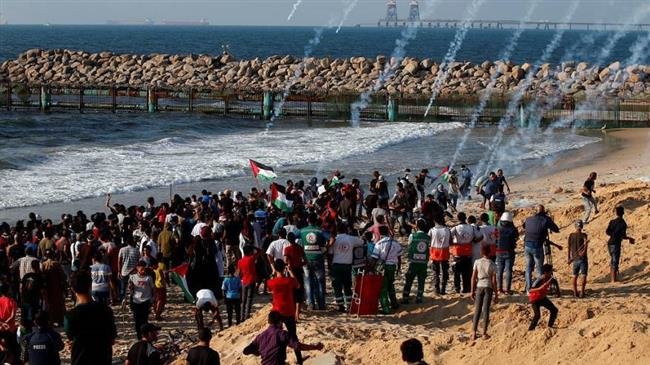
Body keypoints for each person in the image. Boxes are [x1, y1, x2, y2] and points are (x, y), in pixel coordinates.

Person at [65, 270, 117, 365]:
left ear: (72, 289)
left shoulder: (70, 316)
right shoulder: (106, 310)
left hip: (80, 360)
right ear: (90, 285)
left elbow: (70, 339)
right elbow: (112, 340)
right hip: (102, 359)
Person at [243, 311, 323, 365]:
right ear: (280, 322)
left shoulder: (260, 336)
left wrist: (258, 352)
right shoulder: (282, 334)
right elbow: (298, 346)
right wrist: (315, 347)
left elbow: (246, 351)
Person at [266, 259, 302, 363]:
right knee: (293, 336)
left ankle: (279, 360)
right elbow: (298, 285)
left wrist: (272, 274)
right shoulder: (289, 281)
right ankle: (299, 361)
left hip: (277, 313)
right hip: (289, 311)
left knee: (277, 337)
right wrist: (290, 271)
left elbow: (268, 289)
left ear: (275, 268)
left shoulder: (271, 282)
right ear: (284, 268)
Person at [522, 205, 560, 292]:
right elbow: (556, 229)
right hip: (537, 247)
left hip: (527, 245)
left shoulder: (528, 219)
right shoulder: (545, 219)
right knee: (539, 268)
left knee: (528, 268)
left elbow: (524, 226)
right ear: (544, 212)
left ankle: (528, 289)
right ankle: (537, 288)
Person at [328, 223, 363, 312]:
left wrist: (329, 267)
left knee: (337, 286)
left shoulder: (335, 240)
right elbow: (361, 242)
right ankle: (349, 304)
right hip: (347, 265)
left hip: (336, 265)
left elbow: (330, 253)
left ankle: (340, 305)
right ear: (346, 229)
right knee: (347, 286)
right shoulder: (351, 239)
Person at [371, 226, 402, 313]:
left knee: (383, 288)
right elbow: (399, 256)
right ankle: (394, 303)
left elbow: (374, 258)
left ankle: (386, 308)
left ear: (380, 233)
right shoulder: (395, 242)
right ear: (388, 231)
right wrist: (399, 267)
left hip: (382, 268)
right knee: (391, 285)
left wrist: (371, 268)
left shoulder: (379, 244)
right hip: (392, 267)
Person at [470, 245, 498, 340]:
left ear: (481, 253)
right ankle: (484, 333)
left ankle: (473, 332)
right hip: (488, 286)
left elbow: (473, 277)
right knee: (485, 310)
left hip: (479, 285)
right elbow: (494, 281)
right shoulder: (492, 264)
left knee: (477, 309)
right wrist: (496, 294)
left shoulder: (477, 262)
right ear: (489, 252)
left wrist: (472, 291)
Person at [300, 214, 326, 311]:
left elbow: (291, 236)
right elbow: (332, 238)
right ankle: (321, 305)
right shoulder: (320, 231)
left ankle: (311, 304)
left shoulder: (302, 230)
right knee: (320, 282)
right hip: (318, 258)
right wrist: (325, 250)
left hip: (306, 259)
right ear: (316, 220)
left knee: (308, 282)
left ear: (308, 220)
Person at [450, 213, 481, 294]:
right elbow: (478, 238)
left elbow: (448, 237)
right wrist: (472, 241)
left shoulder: (455, 228)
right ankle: (466, 288)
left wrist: (453, 244)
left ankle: (457, 288)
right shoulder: (471, 227)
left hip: (458, 253)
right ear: (465, 218)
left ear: (458, 218)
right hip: (468, 252)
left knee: (457, 272)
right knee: (466, 273)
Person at [402, 219, 430, 304]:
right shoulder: (428, 237)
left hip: (413, 262)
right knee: (421, 281)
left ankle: (405, 298)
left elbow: (409, 246)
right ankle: (419, 298)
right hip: (423, 262)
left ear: (416, 226)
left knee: (409, 280)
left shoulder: (412, 236)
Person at [605, 206, 635, 282]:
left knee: (613, 260)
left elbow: (607, 232)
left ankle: (613, 278)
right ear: (623, 213)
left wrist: (613, 234)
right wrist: (629, 238)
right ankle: (613, 279)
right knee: (615, 261)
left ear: (616, 213)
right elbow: (623, 236)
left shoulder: (612, 221)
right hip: (616, 243)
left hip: (610, 243)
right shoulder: (623, 223)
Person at [128, 260, 155, 339]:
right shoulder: (132, 277)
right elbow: (130, 289)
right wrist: (130, 287)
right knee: (137, 320)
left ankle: (145, 336)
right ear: (137, 268)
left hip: (146, 301)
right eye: (141, 268)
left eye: (144, 268)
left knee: (144, 320)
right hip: (136, 301)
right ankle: (139, 336)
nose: (142, 270)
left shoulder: (148, 278)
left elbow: (153, 289)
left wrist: (153, 299)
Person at [528, 264, 559, 331]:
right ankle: (530, 329)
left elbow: (555, 282)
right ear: (546, 272)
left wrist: (557, 291)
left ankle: (550, 326)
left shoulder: (550, 278)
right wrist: (540, 288)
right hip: (535, 299)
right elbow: (530, 290)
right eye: (551, 271)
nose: (552, 272)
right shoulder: (539, 279)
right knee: (537, 315)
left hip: (542, 298)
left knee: (554, 310)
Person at [495, 212, 518, 294]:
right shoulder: (512, 229)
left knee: (500, 270)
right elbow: (516, 236)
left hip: (499, 251)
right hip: (509, 251)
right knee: (508, 270)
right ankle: (507, 289)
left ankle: (499, 288)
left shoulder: (497, 228)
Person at [429, 218, 451, 296]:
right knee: (445, 272)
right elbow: (450, 241)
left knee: (436, 272)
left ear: (434, 221)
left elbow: (429, 241)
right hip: (444, 252)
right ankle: (443, 289)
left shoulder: (432, 230)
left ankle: (436, 289)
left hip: (434, 253)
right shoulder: (447, 230)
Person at [568, 220, 589, 297]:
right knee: (583, 275)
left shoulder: (571, 235)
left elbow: (569, 247)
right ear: (582, 226)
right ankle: (582, 292)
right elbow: (585, 248)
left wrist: (569, 258)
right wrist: (586, 245)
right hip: (582, 258)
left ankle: (575, 292)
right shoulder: (584, 235)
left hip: (574, 258)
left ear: (575, 226)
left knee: (574, 276)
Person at [238, 245, 258, 321]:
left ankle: (242, 317)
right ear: (250, 251)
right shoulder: (251, 258)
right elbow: (259, 251)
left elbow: (239, 273)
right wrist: (254, 247)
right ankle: (247, 315)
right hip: (251, 280)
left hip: (244, 281)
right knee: (249, 299)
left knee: (243, 300)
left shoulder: (240, 261)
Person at [0, 284, 19, 362]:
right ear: (8, 290)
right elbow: (12, 316)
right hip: (10, 329)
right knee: (12, 350)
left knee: (2, 348)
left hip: (0, 328)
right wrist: (6, 323)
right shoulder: (12, 301)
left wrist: (2, 324)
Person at [118, 236, 140, 301]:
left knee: (123, 287)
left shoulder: (122, 249)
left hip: (124, 272)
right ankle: (132, 300)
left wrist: (119, 271)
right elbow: (138, 263)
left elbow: (119, 261)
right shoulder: (137, 250)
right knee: (132, 288)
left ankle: (123, 300)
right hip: (133, 272)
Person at [152, 254, 167, 321]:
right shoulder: (160, 269)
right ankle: (157, 315)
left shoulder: (151, 270)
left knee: (156, 301)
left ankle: (156, 313)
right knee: (161, 301)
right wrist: (165, 286)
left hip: (154, 287)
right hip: (160, 286)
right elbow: (162, 279)